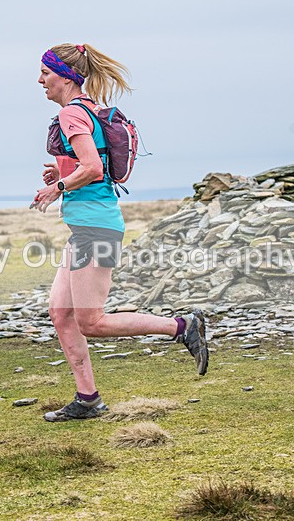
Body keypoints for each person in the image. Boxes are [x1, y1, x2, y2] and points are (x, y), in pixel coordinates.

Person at [32, 43, 208, 423]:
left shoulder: (71, 116)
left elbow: (94, 168)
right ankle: (88, 399)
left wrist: (56, 188)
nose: (39, 80)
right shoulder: (88, 109)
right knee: (60, 313)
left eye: (45, 73)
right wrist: (63, 173)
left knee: (91, 322)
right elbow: (91, 168)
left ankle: (181, 326)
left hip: (96, 229)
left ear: (64, 75)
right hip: (89, 226)